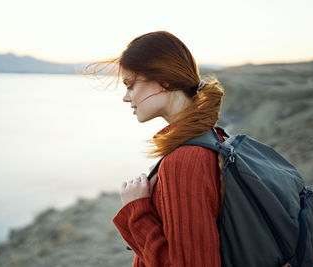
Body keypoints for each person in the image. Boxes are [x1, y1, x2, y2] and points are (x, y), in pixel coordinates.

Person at [83, 30, 225, 267]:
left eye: (130, 85)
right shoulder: (211, 137)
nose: (126, 98)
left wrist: (136, 211)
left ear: (164, 81)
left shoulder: (186, 160)